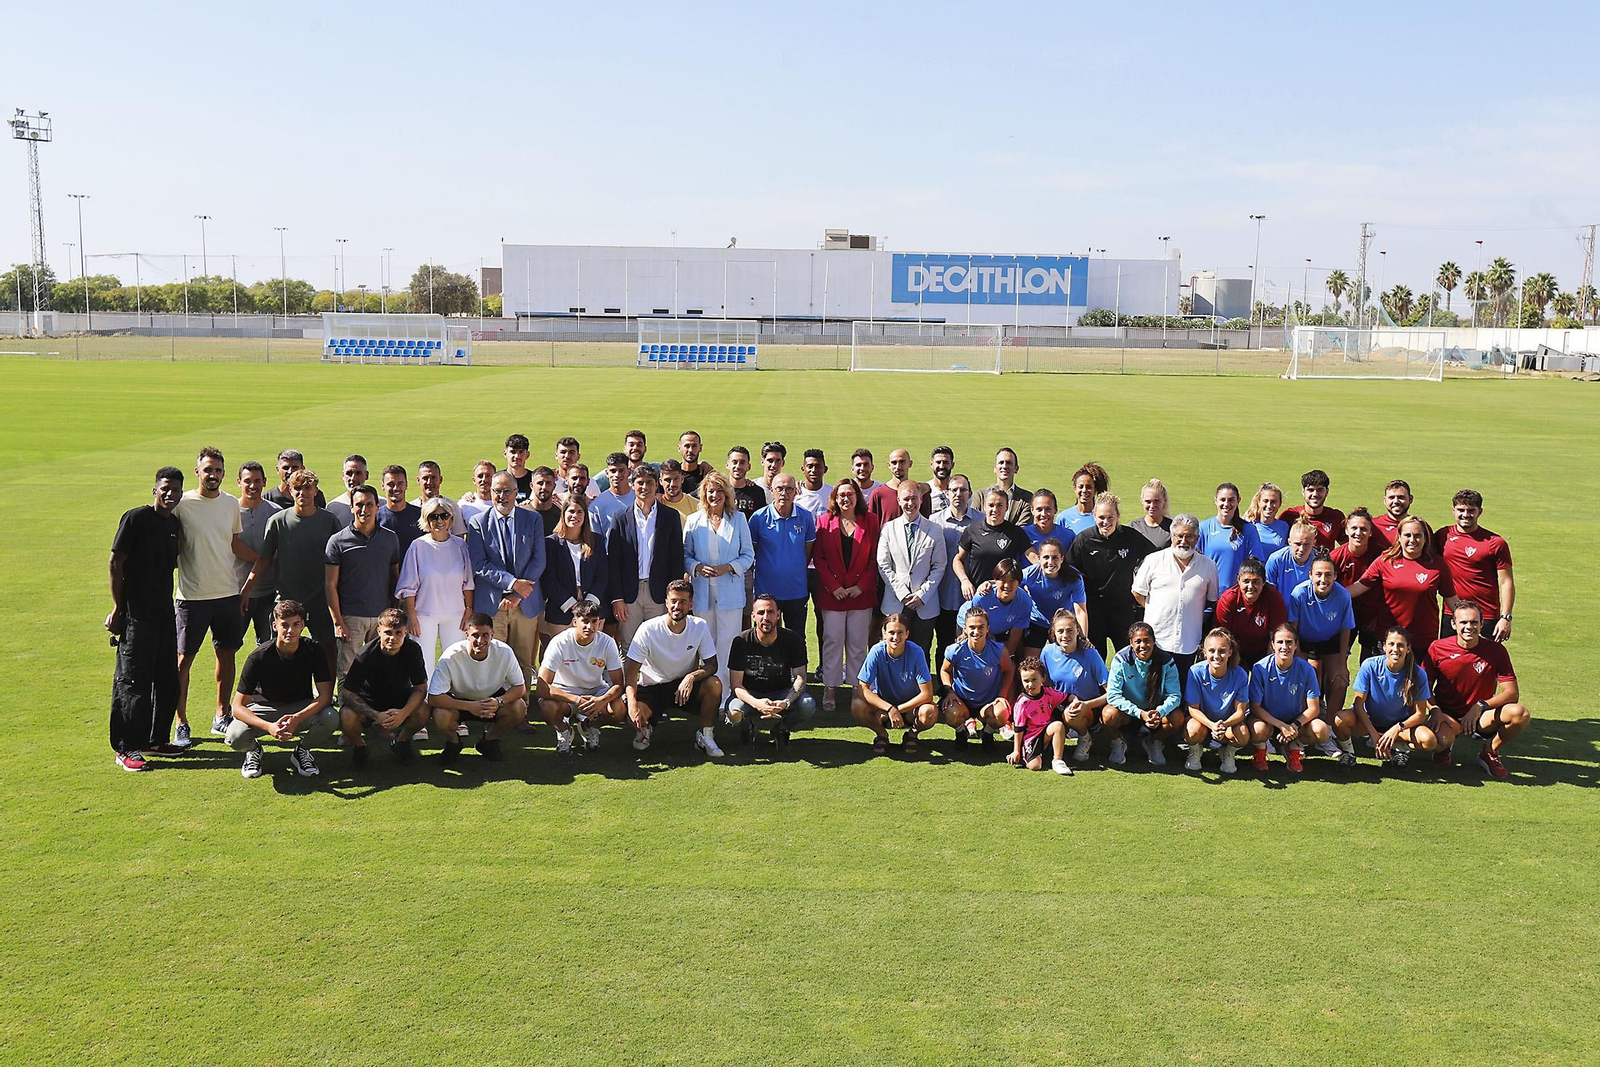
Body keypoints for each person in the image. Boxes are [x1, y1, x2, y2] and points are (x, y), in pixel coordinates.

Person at [107, 466, 185, 771]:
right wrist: (117, 607)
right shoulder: (136, 518)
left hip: (165, 613)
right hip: (136, 615)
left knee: (167, 680)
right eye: (164, 488)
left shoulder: (174, 524)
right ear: (155, 490)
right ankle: (127, 747)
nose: (169, 494)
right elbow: (116, 563)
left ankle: (155, 739)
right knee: (133, 683)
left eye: (175, 490)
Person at [175, 446, 253, 743]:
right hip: (191, 597)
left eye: (218, 471)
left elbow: (232, 543)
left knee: (227, 656)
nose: (213, 475)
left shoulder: (231, 503)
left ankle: (221, 715)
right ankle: (180, 720)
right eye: (208, 470)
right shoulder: (182, 505)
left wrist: (261, 559)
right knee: (183, 662)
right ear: (197, 472)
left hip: (226, 594)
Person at [245, 469, 341, 675]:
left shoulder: (329, 521)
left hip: (321, 600)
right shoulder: (278, 521)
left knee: (328, 649)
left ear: (316, 491)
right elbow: (264, 560)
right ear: (289, 490)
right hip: (287, 600)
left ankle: (328, 695)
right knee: (280, 649)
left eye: (307, 488)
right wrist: (245, 590)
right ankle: (280, 694)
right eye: (297, 488)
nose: (302, 493)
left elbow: (340, 562)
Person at [225, 599, 334, 779]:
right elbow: (237, 706)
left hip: (299, 707)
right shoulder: (258, 657)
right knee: (235, 736)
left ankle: (302, 752)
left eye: (295, 624)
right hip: (264, 710)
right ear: (275, 626)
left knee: (331, 717)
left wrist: (297, 718)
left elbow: (325, 696)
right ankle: (253, 751)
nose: (290, 630)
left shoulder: (314, 650)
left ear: (303, 625)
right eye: (284, 625)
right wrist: (269, 727)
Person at [1425, 602, 1530, 779]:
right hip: (1448, 715)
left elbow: (1512, 693)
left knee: (1520, 714)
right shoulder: (1437, 648)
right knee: (1440, 741)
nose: (1469, 627)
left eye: (1474, 622)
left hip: (1482, 716)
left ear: (1482, 624)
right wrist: (1435, 710)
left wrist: (1480, 706)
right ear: (1453, 624)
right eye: (1463, 622)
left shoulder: (1496, 651)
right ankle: (1446, 746)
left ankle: (1490, 752)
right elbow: (1424, 688)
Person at [466, 471, 546, 690]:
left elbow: (539, 561)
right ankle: (493, 710)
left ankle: (521, 710)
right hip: (493, 604)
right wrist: (511, 584)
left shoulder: (532, 519)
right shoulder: (477, 523)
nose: (502, 496)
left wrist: (518, 593)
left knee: (522, 661)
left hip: (525, 604)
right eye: (497, 491)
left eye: (507, 491)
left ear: (516, 493)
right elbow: (479, 564)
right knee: (493, 659)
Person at [625, 580, 724, 756]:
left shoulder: (699, 626)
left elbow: (712, 665)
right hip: (652, 687)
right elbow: (631, 673)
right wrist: (632, 705)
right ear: (666, 602)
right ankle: (644, 730)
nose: (677, 606)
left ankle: (705, 736)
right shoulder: (648, 629)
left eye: (683, 602)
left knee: (714, 684)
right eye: (674, 601)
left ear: (691, 604)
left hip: (683, 687)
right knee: (632, 719)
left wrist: (691, 677)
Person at [683, 471, 754, 701]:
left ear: (727, 494)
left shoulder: (739, 519)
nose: (714, 495)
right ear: (704, 494)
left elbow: (748, 555)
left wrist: (729, 567)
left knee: (727, 644)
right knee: (706, 644)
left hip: (730, 592)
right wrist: (697, 567)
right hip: (702, 591)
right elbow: (685, 554)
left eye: (719, 491)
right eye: (710, 491)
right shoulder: (694, 520)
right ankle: (708, 693)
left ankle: (727, 694)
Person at [814, 480, 881, 712]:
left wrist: (861, 586)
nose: (845, 499)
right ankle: (830, 686)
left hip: (860, 595)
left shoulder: (871, 521)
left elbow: (875, 558)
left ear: (857, 497)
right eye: (841, 495)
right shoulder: (824, 522)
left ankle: (857, 687)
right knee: (832, 641)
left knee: (858, 644)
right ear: (834, 498)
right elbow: (819, 558)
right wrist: (834, 586)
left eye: (850, 494)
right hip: (833, 595)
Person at [324, 484, 402, 680]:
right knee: (347, 672)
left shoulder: (390, 538)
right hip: (351, 618)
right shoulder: (337, 541)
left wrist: (393, 611)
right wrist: (338, 622)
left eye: (369, 504)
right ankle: (346, 710)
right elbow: (330, 586)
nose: (364, 510)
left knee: (379, 670)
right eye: (359, 504)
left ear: (377, 506)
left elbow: (395, 578)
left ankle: (377, 709)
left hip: (381, 617)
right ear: (351, 507)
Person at [427, 612, 528, 763]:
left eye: (485, 635)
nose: (480, 640)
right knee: (441, 715)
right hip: (460, 701)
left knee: (519, 707)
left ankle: (488, 741)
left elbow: (520, 688)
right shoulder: (451, 656)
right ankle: (453, 743)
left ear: (492, 634)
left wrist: (498, 702)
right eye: (475, 635)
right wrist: (470, 706)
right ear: (466, 634)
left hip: (492, 700)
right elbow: (434, 697)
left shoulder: (504, 652)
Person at [608, 463, 687, 653]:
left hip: (659, 592)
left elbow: (676, 558)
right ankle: (630, 684)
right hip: (629, 594)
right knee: (628, 645)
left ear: (657, 484)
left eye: (649, 483)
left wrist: (672, 595)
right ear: (633, 485)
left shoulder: (670, 517)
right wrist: (617, 598)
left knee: (658, 644)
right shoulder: (620, 517)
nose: (645, 488)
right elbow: (613, 561)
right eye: (640, 483)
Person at [1067, 492, 1157, 660]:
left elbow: (1156, 556)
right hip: (1094, 611)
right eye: (1101, 517)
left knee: (1128, 657)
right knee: (1095, 657)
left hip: (1122, 610)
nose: (1106, 522)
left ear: (1118, 516)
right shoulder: (1084, 540)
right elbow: (1069, 570)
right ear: (1094, 516)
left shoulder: (1130, 537)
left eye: (1110, 517)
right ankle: (1099, 687)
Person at [1347, 515, 1458, 649]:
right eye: (1407, 535)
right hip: (1389, 639)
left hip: (1423, 639)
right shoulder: (1385, 561)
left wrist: (1468, 620)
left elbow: (1451, 600)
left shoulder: (1438, 565)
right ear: (1399, 537)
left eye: (1417, 535)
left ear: (1425, 538)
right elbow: (1358, 587)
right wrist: (1326, 593)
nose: (1412, 540)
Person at [339, 607, 428, 767]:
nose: (392, 638)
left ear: (406, 632)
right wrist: (376, 716)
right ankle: (360, 747)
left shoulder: (413, 650)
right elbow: (348, 693)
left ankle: (401, 742)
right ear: (379, 630)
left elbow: (420, 688)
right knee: (346, 714)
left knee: (424, 709)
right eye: (388, 632)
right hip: (370, 701)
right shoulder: (365, 654)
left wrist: (403, 713)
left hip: (400, 699)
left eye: (398, 633)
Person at [1131, 514, 1219, 677]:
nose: (1184, 541)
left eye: (1189, 536)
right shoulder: (1153, 560)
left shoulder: (1208, 566)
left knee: (1183, 688)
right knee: (1154, 688)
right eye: (1179, 536)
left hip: (1189, 641)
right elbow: (1138, 592)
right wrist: (1155, 608)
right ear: (1172, 536)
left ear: (1197, 538)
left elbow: (1212, 599)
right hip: (1157, 639)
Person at [1341, 626, 1439, 768]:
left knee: (1429, 740)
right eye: (1391, 644)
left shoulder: (1418, 674)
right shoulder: (1370, 665)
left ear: (1408, 648)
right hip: (1370, 721)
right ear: (1384, 646)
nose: (1395, 649)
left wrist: (1396, 729)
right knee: (1340, 720)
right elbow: (1358, 704)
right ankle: (1349, 753)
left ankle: (1401, 748)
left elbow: (1420, 714)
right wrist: (1374, 735)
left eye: (1400, 645)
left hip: (1400, 726)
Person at [727, 593, 815, 752]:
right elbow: (736, 685)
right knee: (733, 712)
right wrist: (756, 703)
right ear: (753, 615)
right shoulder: (741, 641)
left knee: (808, 705)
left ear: (778, 615)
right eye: (761, 613)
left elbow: (801, 677)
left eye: (770, 612)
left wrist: (786, 702)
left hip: (781, 693)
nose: (765, 617)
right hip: (751, 693)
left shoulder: (792, 639)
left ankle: (781, 729)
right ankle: (747, 730)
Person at [396, 497, 474, 673]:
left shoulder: (460, 546)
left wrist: (468, 611)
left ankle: (450, 699)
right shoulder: (417, 546)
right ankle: (424, 699)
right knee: (423, 664)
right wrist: (412, 617)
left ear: (451, 519)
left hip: (456, 614)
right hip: (424, 614)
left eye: (444, 516)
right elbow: (409, 587)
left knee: (455, 664)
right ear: (426, 519)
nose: (439, 521)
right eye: (433, 516)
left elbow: (468, 582)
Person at [537, 601, 626, 755]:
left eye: (594, 622)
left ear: (599, 622)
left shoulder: (607, 642)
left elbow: (619, 684)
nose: (590, 627)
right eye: (585, 621)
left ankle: (590, 726)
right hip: (565, 693)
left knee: (618, 709)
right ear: (574, 622)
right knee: (547, 707)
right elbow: (542, 687)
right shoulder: (559, 642)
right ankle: (564, 730)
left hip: (596, 692)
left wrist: (601, 701)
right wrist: (576, 700)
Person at [876, 481, 946, 666]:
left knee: (921, 653)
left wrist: (922, 595)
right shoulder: (889, 529)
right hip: (895, 601)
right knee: (891, 651)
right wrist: (903, 593)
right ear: (898, 500)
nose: (910, 503)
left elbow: (939, 566)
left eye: (914, 498)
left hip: (925, 604)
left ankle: (921, 693)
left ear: (921, 499)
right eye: (906, 499)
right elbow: (883, 564)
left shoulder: (934, 529)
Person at [1284, 553, 1354, 735]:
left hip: (1331, 640)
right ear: (1310, 575)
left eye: (1328, 574)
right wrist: (1297, 659)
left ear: (1335, 576)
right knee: (1305, 679)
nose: (1323, 579)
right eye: (1319, 574)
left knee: (1340, 681)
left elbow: (1346, 629)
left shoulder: (1343, 595)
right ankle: (1305, 723)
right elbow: (1293, 628)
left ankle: (1329, 728)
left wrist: (1342, 664)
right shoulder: (1299, 593)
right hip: (1305, 640)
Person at [1434, 489, 1515, 642]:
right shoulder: (1442, 536)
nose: (1465, 514)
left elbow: (1506, 582)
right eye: (1461, 510)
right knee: (1450, 660)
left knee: (1484, 663)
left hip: (1486, 615)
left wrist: (1506, 617)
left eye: (1471, 510)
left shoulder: (1495, 542)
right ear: (1453, 510)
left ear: (1480, 512)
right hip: (1452, 613)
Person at [1248, 624, 1330, 773]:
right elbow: (1255, 707)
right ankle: (1260, 751)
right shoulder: (1260, 668)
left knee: (1322, 730)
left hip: (1294, 721)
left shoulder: (1307, 669)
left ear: (1296, 645)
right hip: (1267, 721)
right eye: (1280, 642)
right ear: (1272, 645)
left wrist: (1294, 725)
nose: (1284, 646)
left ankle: (1293, 747)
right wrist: (1281, 725)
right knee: (1258, 729)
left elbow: (1314, 708)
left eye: (1289, 642)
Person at [852, 613, 937, 755]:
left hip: (911, 709)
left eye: (900, 633)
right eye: (891, 632)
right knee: (857, 706)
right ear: (884, 633)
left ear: (907, 634)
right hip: (885, 709)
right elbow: (862, 689)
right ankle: (882, 735)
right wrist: (889, 709)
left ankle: (912, 735)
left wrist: (897, 709)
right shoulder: (877, 651)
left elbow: (927, 694)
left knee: (929, 712)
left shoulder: (916, 652)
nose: (895, 637)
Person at [1105, 620, 1182, 766]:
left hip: (1155, 714)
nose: (1142, 646)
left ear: (1154, 641)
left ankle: (1153, 741)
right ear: (1131, 642)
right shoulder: (1121, 659)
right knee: (1108, 715)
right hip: (1129, 713)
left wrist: (1159, 712)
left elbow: (1175, 695)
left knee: (1177, 717)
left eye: (1147, 641)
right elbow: (1113, 695)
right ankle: (1118, 742)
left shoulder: (1166, 661)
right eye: (1138, 641)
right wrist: (1140, 713)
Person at [747, 473, 817, 634]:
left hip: (796, 591)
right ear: (772, 490)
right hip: (767, 593)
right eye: (779, 488)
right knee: (767, 637)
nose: (784, 493)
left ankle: (798, 662)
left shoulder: (805, 517)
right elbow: (752, 554)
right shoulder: (758, 518)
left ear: (795, 492)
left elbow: (807, 552)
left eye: (789, 489)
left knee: (797, 638)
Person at [1040, 610, 1108, 764]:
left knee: (1071, 714)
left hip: (1086, 708)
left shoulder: (1090, 653)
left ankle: (1085, 738)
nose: (1065, 635)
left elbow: (1111, 693)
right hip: (1058, 705)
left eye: (1070, 630)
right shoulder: (1047, 652)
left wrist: (1086, 705)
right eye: (1060, 631)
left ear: (1078, 630)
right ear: (1053, 633)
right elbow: (1044, 686)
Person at [939, 607, 1013, 749]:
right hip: (962, 702)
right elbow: (944, 670)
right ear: (965, 629)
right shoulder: (955, 650)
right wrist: (949, 692)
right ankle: (961, 732)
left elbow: (1009, 670)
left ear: (987, 629)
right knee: (950, 713)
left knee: (1002, 713)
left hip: (988, 703)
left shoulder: (998, 650)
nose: (976, 632)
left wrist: (1002, 695)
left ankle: (988, 733)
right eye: (972, 627)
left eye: (981, 627)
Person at [1181, 628, 1251, 774]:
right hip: (1204, 724)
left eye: (1222, 651)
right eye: (1211, 651)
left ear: (1230, 652)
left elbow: (1240, 712)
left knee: (1243, 734)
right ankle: (1195, 751)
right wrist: (1212, 725)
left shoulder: (1240, 674)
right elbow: (1193, 708)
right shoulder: (1195, 671)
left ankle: (1228, 753)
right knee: (1192, 730)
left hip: (1227, 725)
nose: (1216, 655)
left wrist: (1223, 725)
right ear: (1204, 653)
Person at [541, 495, 608, 641]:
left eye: (579, 512)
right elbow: (549, 579)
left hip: (591, 609)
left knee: (589, 656)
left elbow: (602, 575)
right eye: (571, 511)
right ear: (563, 514)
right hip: (561, 611)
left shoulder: (596, 540)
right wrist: (573, 605)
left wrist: (589, 604)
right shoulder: (551, 543)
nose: (575, 516)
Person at [931, 476, 981, 669]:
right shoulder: (935, 522)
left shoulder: (981, 521)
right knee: (943, 643)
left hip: (971, 595)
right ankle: (944, 689)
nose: (958, 494)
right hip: (942, 594)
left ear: (970, 493)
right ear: (946, 493)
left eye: (963, 490)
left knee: (970, 644)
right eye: (954, 490)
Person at [951, 486, 1028, 608]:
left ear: (1007, 507)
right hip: (976, 596)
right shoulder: (972, 530)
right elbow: (957, 559)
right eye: (991, 505)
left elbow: (1032, 556)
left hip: (1004, 596)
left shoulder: (1016, 532)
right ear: (984, 507)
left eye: (999, 505)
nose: (995, 509)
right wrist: (964, 581)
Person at [1329, 508, 1389, 662]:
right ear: (1346, 529)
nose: (1358, 533)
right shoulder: (1335, 557)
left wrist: (1379, 617)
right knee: (1338, 661)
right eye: (1354, 528)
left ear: (1370, 532)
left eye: (1364, 529)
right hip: (1343, 617)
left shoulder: (1381, 556)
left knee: (1371, 662)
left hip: (1372, 618)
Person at [234, 461, 281, 646]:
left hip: (268, 593)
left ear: (264, 482)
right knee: (227, 647)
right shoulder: (230, 510)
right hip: (235, 591)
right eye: (247, 481)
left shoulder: (275, 512)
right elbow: (232, 545)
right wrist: (262, 560)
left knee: (270, 646)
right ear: (239, 482)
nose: (252, 486)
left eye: (257, 481)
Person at [795, 448, 833, 669]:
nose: (813, 470)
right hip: (798, 567)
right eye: (809, 466)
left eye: (818, 466)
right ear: (803, 469)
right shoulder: (795, 495)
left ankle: (824, 666)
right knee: (797, 620)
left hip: (823, 569)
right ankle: (799, 666)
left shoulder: (832, 495)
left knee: (824, 620)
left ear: (824, 469)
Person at [957, 558, 1035, 667]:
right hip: (973, 626)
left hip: (998, 629)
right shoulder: (983, 597)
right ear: (995, 581)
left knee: (1002, 662)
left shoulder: (1025, 602)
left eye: (1012, 581)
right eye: (1003, 581)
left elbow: (1016, 633)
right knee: (973, 661)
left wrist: (1009, 656)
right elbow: (976, 626)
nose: (1007, 586)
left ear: (1019, 583)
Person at [1018, 538, 1087, 658]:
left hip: (1062, 624)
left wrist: (1083, 637)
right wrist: (987, 584)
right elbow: (1008, 581)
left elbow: (1080, 610)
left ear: (1062, 559)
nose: (1050, 562)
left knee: (1064, 660)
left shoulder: (1074, 577)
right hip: (1037, 622)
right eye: (1046, 557)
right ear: (1039, 559)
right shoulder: (1030, 574)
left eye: (1055, 557)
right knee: (1030, 663)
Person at [1213, 557, 1287, 666]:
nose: (1250, 587)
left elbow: (1276, 636)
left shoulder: (1274, 598)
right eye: (1246, 581)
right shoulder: (1228, 599)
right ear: (1238, 580)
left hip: (1263, 649)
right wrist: (1232, 662)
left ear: (1264, 581)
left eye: (1256, 582)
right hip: (1234, 649)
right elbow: (1222, 635)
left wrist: (1268, 666)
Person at [1006, 657, 1073, 775]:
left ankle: (1058, 760)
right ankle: (1035, 752)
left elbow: (1067, 697)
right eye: (1026, 681)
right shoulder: (1022, 703)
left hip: (1046, 731)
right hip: (1031, 738)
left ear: (1042, 679)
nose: (1030, 684)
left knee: (1058, 725)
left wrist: (1076, 701)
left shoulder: (1049, 692)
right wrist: (1016, 751)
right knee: (1035, 766)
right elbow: (1019, 729)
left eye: (1034, 679)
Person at [1197, 482, 1262, 593]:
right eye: (1222, 500)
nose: (1226, 504)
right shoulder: (1203, 527)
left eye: (1231, 500)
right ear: (1215, 500)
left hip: (1236, 597)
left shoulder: (1249, 530)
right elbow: (1195, 561)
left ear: (1238, 501)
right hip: (1207, 595)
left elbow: (1254, 564)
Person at [1280, 468, 1345, 552]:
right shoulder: (1289, 515)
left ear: (1327, 492)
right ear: (1303, 492)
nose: (1315, 494)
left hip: (1324, 564)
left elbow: (1348, 545)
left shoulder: (1336, 517)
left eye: (1320, 490)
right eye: (1310, 490)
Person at [867, 448, 929, 526]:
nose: (898, 467)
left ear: (910, 464)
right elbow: (871, 525)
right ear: (889, 465)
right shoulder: (878, 493)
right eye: (894, 463)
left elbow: (927, 522)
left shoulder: (920, 491)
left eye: (902, 462)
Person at [376, 464, 424, 554]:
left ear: (406, 485)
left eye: (400, 484)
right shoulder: (375, 518)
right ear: (383, 486)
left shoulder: (420, 515)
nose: (396, 488)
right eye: (390, 484)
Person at [589, 452, 636, 541]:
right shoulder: (597, 506)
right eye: (613, 471)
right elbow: (595, 541)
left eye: (621, 470)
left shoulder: (639, 499)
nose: (617, 475)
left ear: (629, 472)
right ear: (607, 473)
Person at [1021, 489, 1077, 563]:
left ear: (1055, 509)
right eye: (1039, 509)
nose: (1043, 514)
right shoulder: (1022, 534)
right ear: (1032, 510)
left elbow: (1073, 565)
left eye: (1048, 509)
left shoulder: (1068, 536)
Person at [413, 460, 467, 536]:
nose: (429, 482)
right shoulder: (412, 507)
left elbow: (459, 538)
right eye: (425, 478)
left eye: (433, 477)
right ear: (418, 480)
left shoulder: (452, 506)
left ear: (440, 479)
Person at [1265, 519, 1317, 596]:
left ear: (1314, 543)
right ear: (1289, 542)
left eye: (1307, 544)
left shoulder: (1319, 561)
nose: (1302, 549)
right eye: (1297, 544)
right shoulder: (1276, 559)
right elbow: (1268, 591)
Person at [1060, 462, 1109, 535]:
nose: (1084, 490)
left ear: (1095, 489)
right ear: (1075, 489)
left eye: (1089, 487)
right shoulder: (1064, 517)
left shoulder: (1103, 516)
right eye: (1081, 486)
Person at [1370, 479, 1414, 551]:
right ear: (1385, 500)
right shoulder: (1373, 525)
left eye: (1401, 497)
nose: (1396, 501)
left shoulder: (1420, 526)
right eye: (1391, 498)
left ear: (1411, 499)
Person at [325, 454, 369, 526]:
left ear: (366, 475)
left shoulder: (381, 504)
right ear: (343, 475)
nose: (353, 478)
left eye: (358, 473)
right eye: (349, 473)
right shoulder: (333, 507)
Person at [991, 447, 1031, 524]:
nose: (1005, 466)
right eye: (1001, 462)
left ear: (1016, 469)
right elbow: (976, 524)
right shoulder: (981, 495)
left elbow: (1023, 530)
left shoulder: (1027, 498)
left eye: (1009, 463)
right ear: (995, 468)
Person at [725, 445, 767, 519]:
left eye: (742, 462)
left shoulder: (757, 492)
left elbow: (761, 520)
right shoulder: (720, 490)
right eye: (734, 462)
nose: (738, 466)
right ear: (727, 465)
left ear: (749, 466)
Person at [1132, 478, 1172, 548]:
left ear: (1164, 501)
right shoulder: (1133, 527)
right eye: (1148, 502)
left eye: (1156, 501)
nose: (1152, 506)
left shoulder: (1173, 528)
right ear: (1142, 501)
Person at [457, 459, 497, 527]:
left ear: (495, 478)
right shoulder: (464, 505)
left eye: (488, 476)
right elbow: (458, 534)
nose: (484, 480)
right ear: (474, 480)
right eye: (480, 476)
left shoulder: (505, 503)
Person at [677, 430, 714, 497]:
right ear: (679, 448)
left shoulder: (707, 475)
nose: (690, 450)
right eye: (687, 446)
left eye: (694, 446)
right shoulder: (673, 475)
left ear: (700, 448)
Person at [527, 466, 561, 534]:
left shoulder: (561, 515)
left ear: (554, 486)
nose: (544, 487)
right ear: (531, 486)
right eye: (540, 483)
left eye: (548, 483)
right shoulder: (520, 513)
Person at [926, 446, 957, 515]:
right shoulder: (924, 492)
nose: (941, 466)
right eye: (938, 462)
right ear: (931, 464)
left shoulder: (961, 491)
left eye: (946, 462)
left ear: (952, 465)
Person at [503, 433, 534, 503]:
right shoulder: (497, 479)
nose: (517, 456)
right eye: (513, 452)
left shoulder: (535, 479)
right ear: (505, 453)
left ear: (527, 455)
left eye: (521, 452)